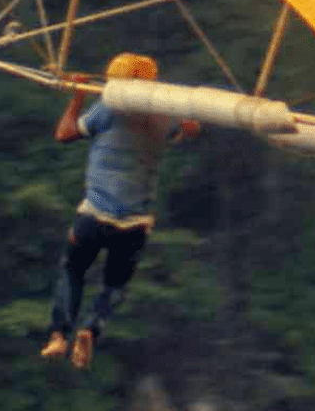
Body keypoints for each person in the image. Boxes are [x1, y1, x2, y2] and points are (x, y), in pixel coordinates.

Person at [40, 52, 200, 369]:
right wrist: (180, 106)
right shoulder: (161, 116)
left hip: (94, 215)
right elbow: (190, 130)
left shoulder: (109, 108)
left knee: (73, 270)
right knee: (114, 285)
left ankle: (59, 335)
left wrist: (78, 96)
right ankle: (90, 329)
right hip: (135, 224)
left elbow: (64, 134)